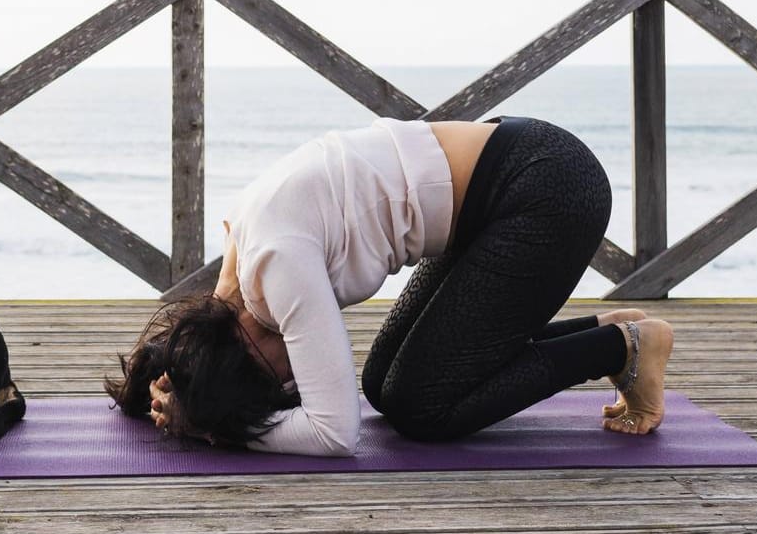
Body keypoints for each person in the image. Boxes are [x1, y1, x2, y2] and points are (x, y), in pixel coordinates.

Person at [105, 116, 674, 456]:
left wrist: (219, 427)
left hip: (542, 191)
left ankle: (622, 348)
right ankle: (607, 331)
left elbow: (335, 433)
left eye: (271, 379)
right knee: (384, 386)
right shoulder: (237, 285)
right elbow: (185, 345)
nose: (289, 379)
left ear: (245, 347)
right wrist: (178, 385)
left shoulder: (279, 269)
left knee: (425, 409)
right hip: (506, 182)